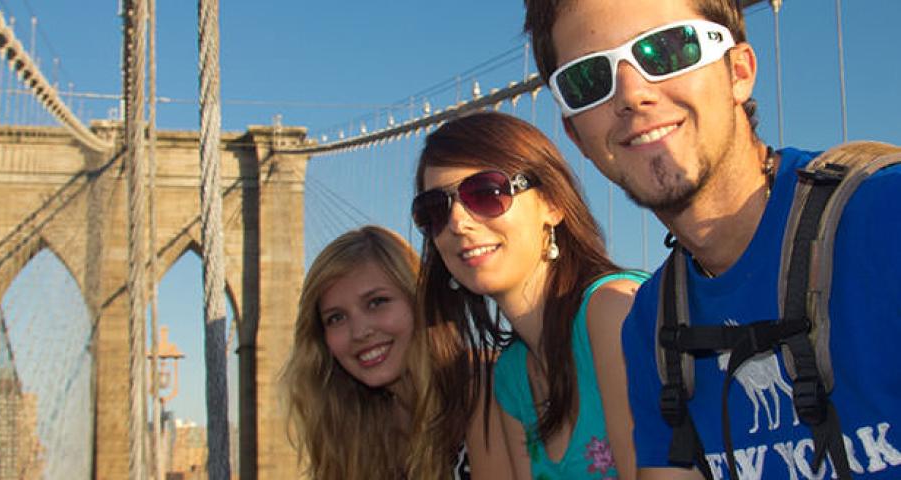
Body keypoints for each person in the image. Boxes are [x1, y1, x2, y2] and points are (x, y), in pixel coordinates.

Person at [522, 0, 901, 478]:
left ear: (739, 72)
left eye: (667, 50)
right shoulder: (653, 323)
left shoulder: (887, 219)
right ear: (577, 136)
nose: (633, 93)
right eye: (587, 80)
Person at [413, 111, 645, 479]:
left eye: (485, 193)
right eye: (434, 210)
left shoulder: (614, 312)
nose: (457, 222)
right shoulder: (512, 376)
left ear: (552, 204)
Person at [282, 225, 510, 479]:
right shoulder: (359, 429)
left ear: (419, 299)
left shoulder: (487, 387)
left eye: (377, 302)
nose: (359, 332)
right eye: (336, 318)